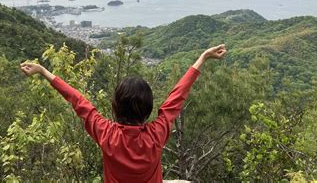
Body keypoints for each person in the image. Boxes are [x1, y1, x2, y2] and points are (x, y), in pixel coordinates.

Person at [20, 44, 227, 182]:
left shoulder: (106, 134)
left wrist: (43, 71)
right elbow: (177, 97)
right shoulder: (157, 134)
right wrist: (202, 58)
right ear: (148, 109)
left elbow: (78, 100)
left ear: (115, 106)